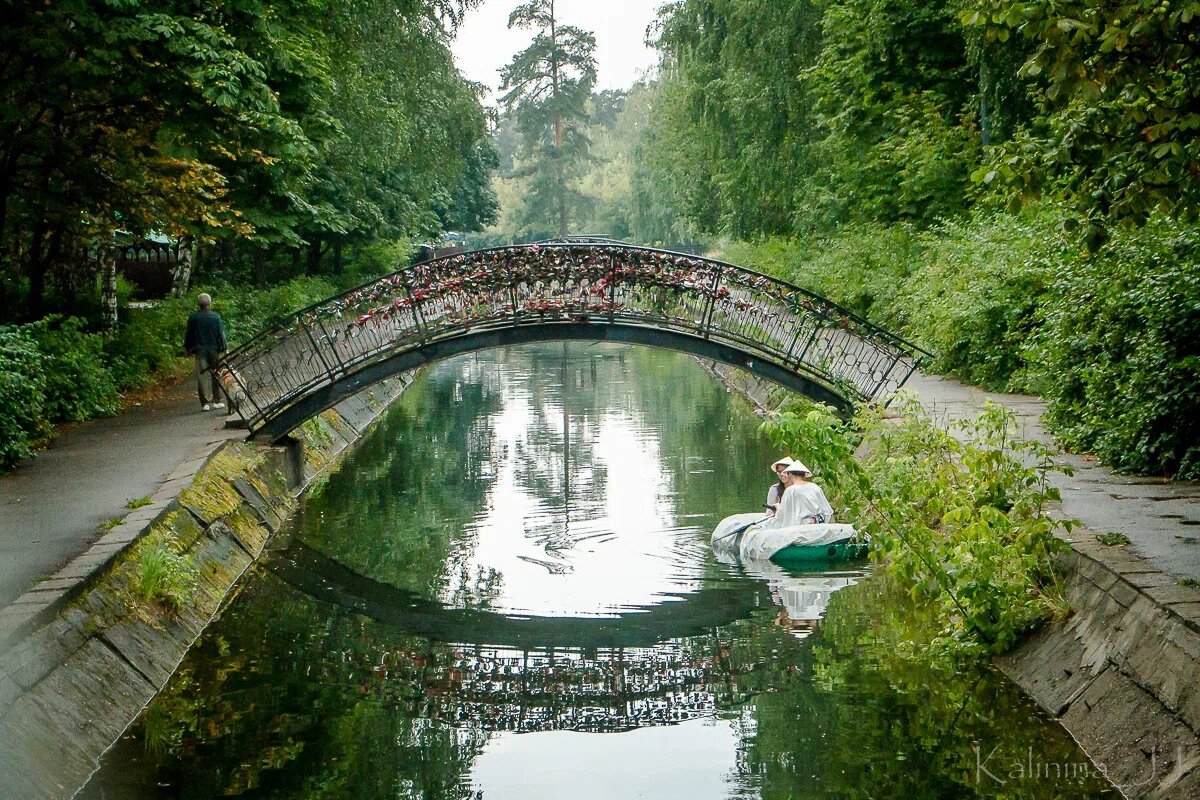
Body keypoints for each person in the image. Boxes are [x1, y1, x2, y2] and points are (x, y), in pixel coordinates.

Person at [184, 293, 228, 412]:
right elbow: (220, 334)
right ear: (209, 303)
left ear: (199, 304)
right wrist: (224, 347)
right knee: (216, 374)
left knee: (202, 376)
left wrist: (187, 348)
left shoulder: (193, 318)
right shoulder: (215, 317)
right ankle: (217, 399)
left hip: (200, 349)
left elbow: (189, 334)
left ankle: (205, 403)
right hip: (214, 349)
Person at [765, 461, 834, 528]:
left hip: (801, 527)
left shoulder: (791, 490)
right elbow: (828, 512)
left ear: (790, 474)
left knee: (768, 524)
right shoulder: (815, 487)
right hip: (817, 524)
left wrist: (778, 508)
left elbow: (783, 516)